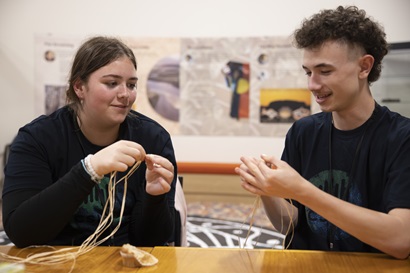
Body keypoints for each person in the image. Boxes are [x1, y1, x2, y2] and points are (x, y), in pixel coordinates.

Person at [235, 6, 410, 259]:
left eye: (325, 71)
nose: (312, 85)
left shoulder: (401, 138)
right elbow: (291, 224)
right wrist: (267, 190)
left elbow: (400, 239)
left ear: (364, 67)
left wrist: (302, 190)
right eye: (308, 72)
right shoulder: (303, 131)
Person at [2, 36, 177, 248]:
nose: (125, 94)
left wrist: (154, 198)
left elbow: (151, 241)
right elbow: (20, 232)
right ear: (79, 87)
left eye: (131, 85)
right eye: (111, 83)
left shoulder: (153, 139)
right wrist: (89, 170)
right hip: (55, 261)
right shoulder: (37, 139)